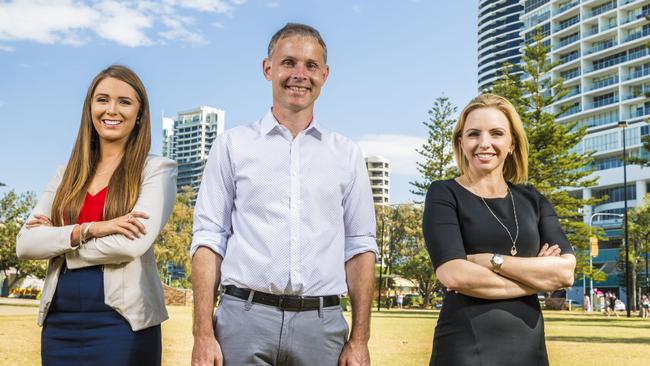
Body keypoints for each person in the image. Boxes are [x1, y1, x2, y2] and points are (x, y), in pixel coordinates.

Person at [190, 23, 378, 366]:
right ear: (268, 68)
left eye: (310, 66)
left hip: (322, 328)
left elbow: (360, 245)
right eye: (289, 62)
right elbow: (208, 239)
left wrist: (360, 339)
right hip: (242, 321)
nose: (299, 75)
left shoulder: (347, 154)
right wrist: (202, 333)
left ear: (325, 74)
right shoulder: (232, 145)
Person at [16, 65, 177, 366]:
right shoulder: (65, 175)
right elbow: (25, 244)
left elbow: (130, 245)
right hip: (59, 326)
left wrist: (60, 243)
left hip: (124, 324)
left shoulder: (156, 170)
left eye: (124, 101)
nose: (111, 110)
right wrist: (89, 230)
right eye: (102, 99)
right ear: (90, 107)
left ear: (140, 113)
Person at [422, 94, 576, 365]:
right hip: (465, 350)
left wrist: (493, 261)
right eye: (473, 134)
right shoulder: (444, 193)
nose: (484, 143)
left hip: (530, 351)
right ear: (461, 143)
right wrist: (535, 281)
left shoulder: (533, 200)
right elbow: (455, 275)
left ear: (512, 143)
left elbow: (564, 273)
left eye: (496, 133)